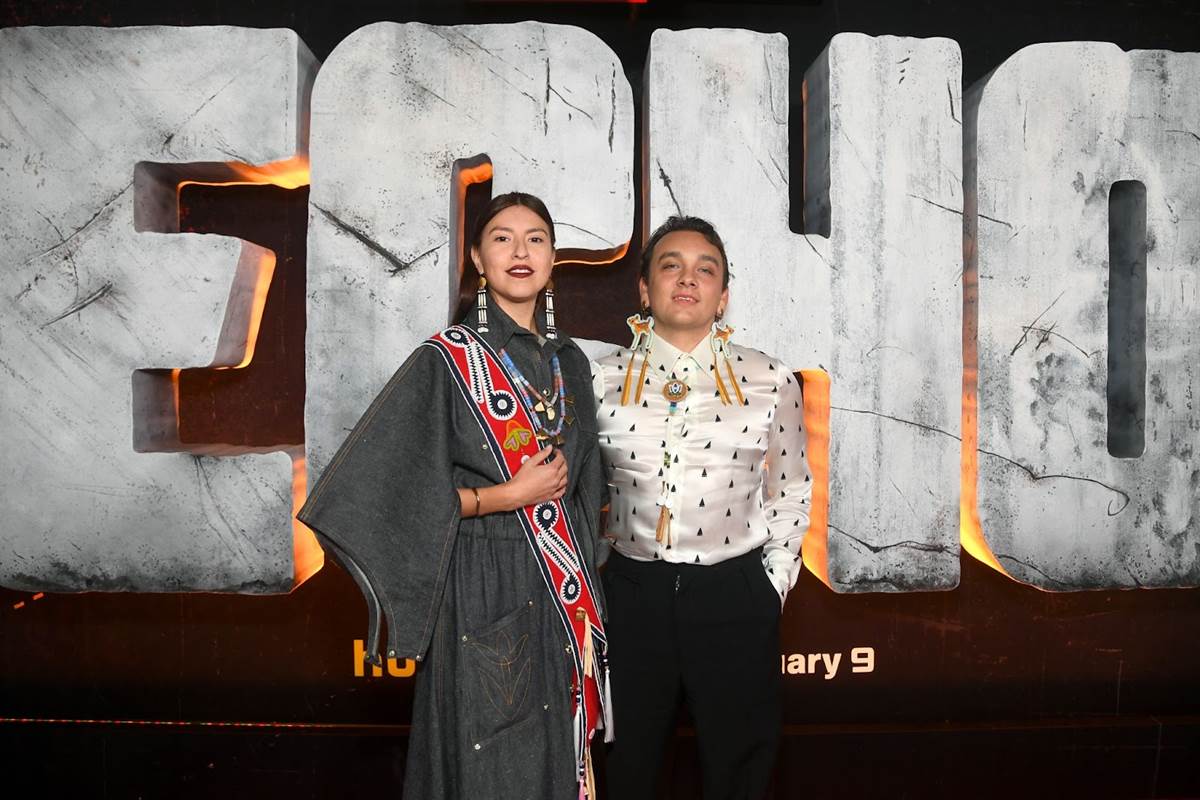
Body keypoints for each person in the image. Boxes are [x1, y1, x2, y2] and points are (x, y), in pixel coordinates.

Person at [297, 192, 611, 800]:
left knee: (557, 760)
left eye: (536, 239)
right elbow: (389, 491)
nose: (520, 251)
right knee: (491, 763)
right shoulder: (445, 361)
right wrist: (507, 495)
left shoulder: (570, 361)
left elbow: (586, 488)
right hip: (480, 584)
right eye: (502, 238)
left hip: (561, 595)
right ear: (477, 258)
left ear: (553, 258)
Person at [591, 216, 811, 799]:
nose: (687, 279)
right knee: (627, 770)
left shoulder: (770, 378)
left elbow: (791, 488)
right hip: (630, 597)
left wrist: (770, 586)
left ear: (723, 295)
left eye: (704, 269)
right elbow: (578, 492)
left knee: (741, 775)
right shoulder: (598, 379)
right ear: (644, 289)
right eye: (671, 266)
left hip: (733, 594)